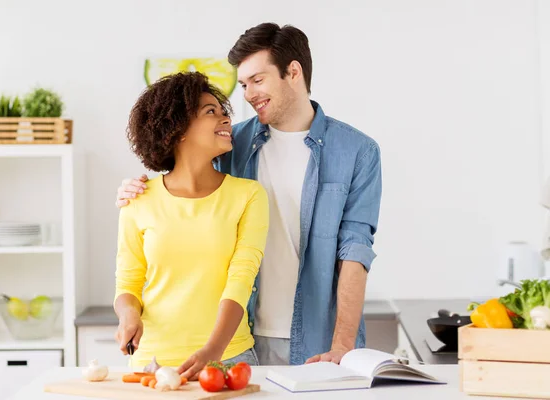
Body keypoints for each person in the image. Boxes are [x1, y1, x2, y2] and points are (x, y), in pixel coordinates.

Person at [116, 22, 382, 366]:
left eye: (257, 80)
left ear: (293, 72)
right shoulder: (231, 144)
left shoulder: (357, 151)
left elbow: (355, 250)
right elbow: (183, 182)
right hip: (239, 336)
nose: (247, 94)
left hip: (320, 339)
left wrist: (343, 345)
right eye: (243, 84)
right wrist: (134, 188)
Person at [114, 71, 269, 380]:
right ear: (178, 129)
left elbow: (241, 280)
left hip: (228, 356)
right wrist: (129, 315)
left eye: (224, 112)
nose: (226, 119)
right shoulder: (138, 199)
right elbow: (128, 284)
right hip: (152, 361)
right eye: (210, 111)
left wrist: (214, 350)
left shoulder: (248, 195)